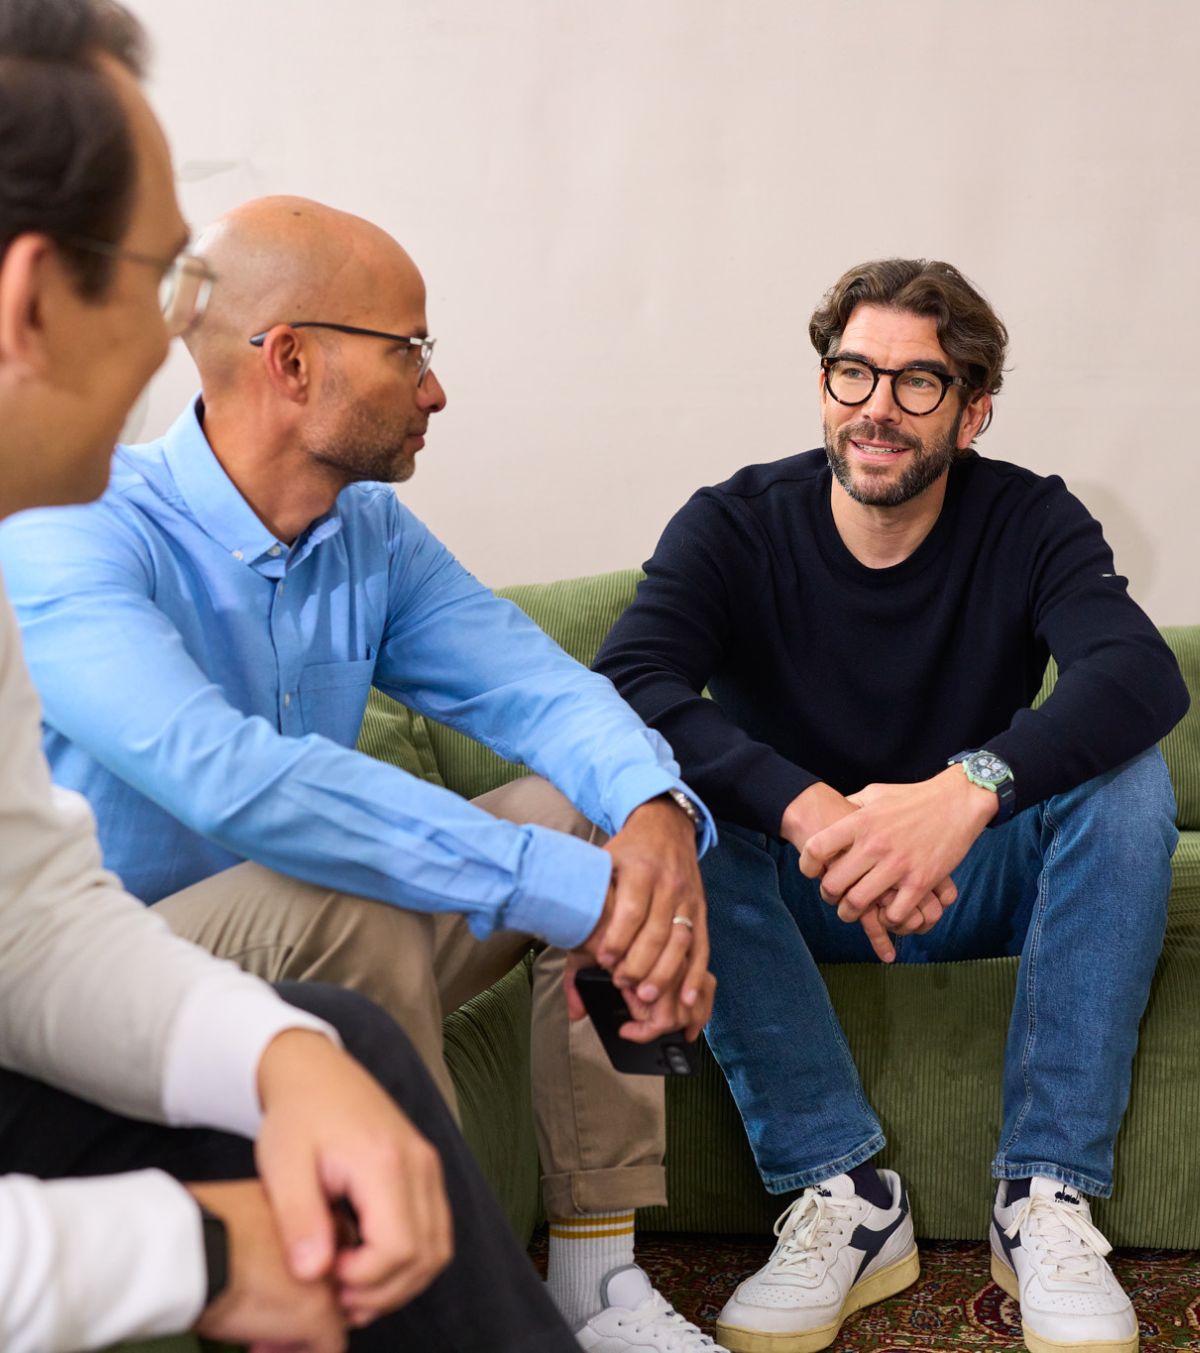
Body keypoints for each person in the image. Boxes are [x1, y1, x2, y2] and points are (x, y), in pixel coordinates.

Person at [0, 185, 727, 1343]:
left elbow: (535, 688)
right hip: (112, 986)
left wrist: (650, 818)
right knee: (358, 893)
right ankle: (428, 1309)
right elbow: (233, 778)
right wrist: (571, 894)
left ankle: (596, 1285)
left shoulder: (368, 533)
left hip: (310, 945)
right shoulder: (75, 526)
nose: (435, 388)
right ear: (291, 362)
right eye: (411, 351)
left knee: (589, 818)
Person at [593, 257, 1188, 1353]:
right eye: (852, 372)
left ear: (971, 414)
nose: (876, 407)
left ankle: (1043, 1197)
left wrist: (971, 790)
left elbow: (1142, 676)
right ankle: (847, 1198)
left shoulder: (1032, 518)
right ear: (824, 386)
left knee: (1129, 782)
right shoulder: (733, 523)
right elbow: (633, 679)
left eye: (917, 384)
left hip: (977, 876)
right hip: (800, 884)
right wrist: (809, 807)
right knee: (680, 813)